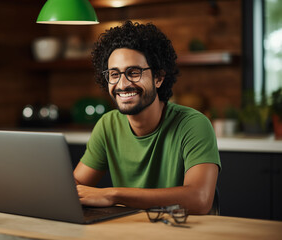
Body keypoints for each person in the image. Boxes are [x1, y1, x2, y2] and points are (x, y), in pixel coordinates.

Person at [73, 21, 221, 215]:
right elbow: (75, 186)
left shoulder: (193, 124)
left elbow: (199, 199)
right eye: (114, 74)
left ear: (158, 78)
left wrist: (114, 195)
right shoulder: (108, 125)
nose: (122, 84)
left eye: (133, 72)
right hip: (134, 230)